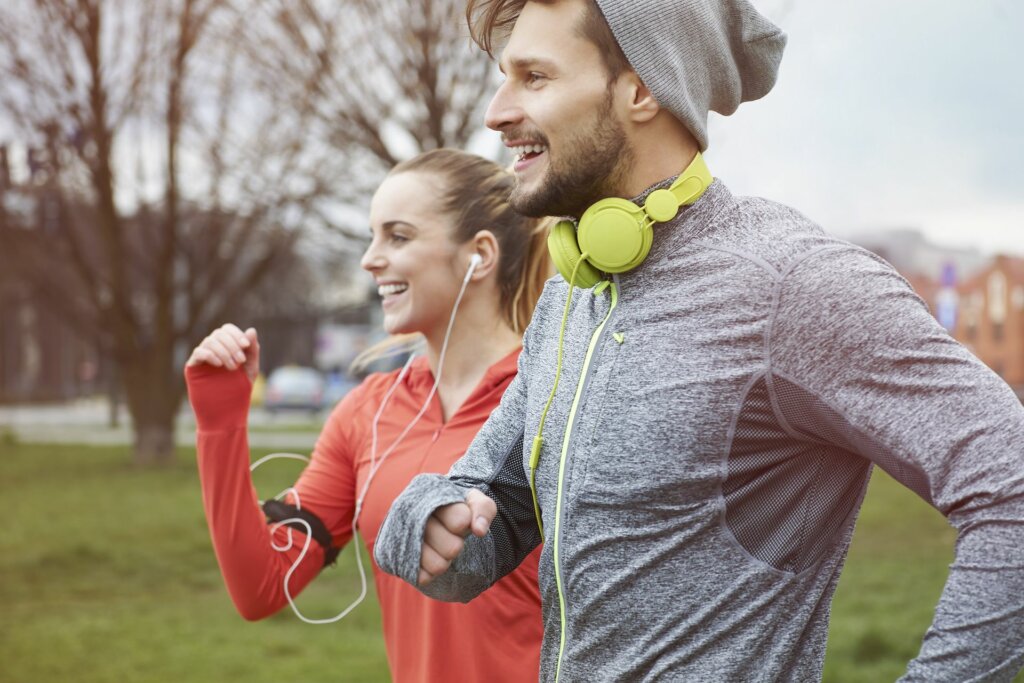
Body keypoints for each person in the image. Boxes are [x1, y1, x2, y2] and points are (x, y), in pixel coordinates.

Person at [373, 1, 1024, 681]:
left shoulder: (791, 284)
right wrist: (432, 518)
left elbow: (1011, 482)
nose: (496, 112)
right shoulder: (574, 291)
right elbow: (491, 513)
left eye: (534, 77)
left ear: (642, 88)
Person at [185, 149, 552, 682]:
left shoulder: (557, 396)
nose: (369, 259)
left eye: (397, 237)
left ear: (479, 255)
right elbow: (263, 585)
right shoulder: (367, 413)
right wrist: (219, 422)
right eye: (372, 236)